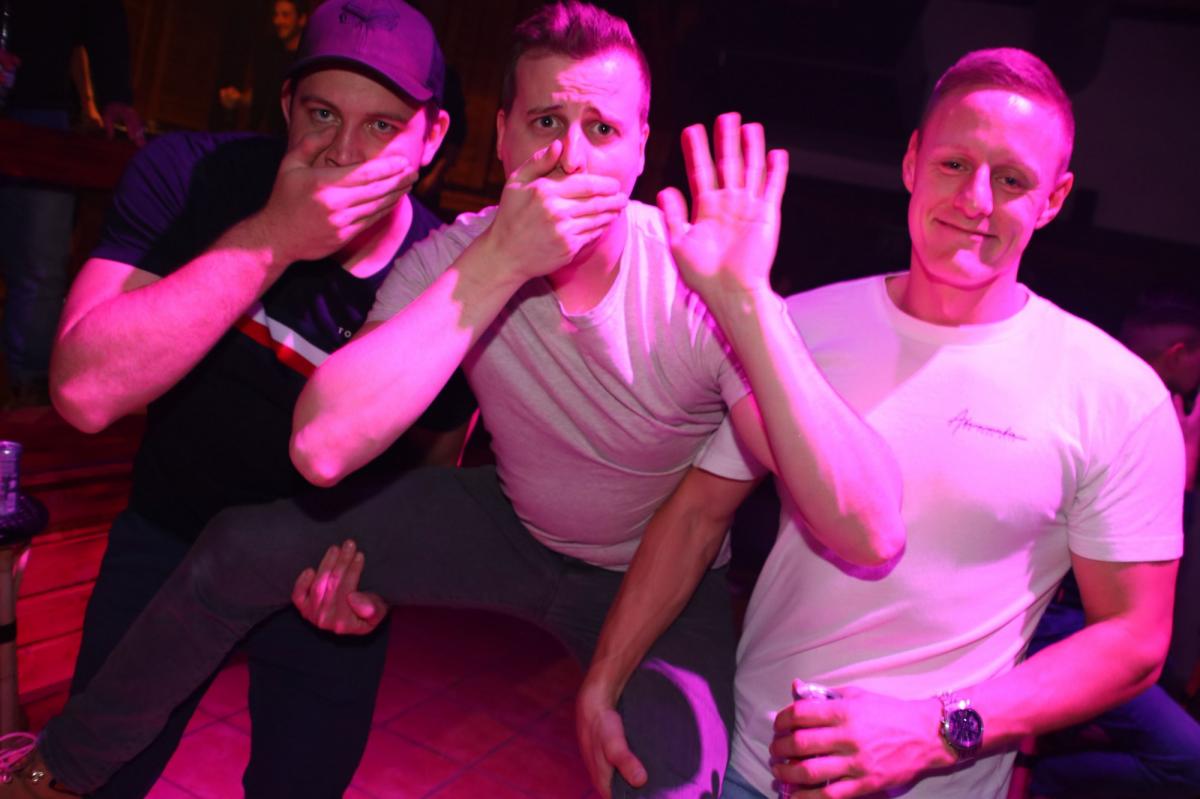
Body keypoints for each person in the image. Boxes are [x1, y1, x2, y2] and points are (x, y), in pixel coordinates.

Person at [0, 2, 903, 797]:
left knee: (662, 769)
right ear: (502, 137)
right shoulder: (452, 257)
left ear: (639, 149)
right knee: (240, 545)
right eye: (545, 122)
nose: (569, 156)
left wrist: (750, 303)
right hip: (507, 522)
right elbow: (322, 446)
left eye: (600, 128)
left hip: (657, 571)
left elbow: (868, 532)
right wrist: (500, 262)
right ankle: (54, 774)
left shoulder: (692, 278)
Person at [582, 47, 1184, 799]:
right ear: (911, 162)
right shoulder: (795, 330)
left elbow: (1133, 639)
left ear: (1054, 198)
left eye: (1012, 180)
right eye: (954, 165)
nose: (977, 200)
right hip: (749, 770)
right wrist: (602, 680)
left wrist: (936, 729)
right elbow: (698, 513)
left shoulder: (1114, 393)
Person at [10, 2, 468, 797]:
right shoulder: (195, 177)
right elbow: (82, 392)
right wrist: (273, 239)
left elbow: (436, 467)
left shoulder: (454, 274)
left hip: (326, 578)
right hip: (168, 536)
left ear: (431, 138)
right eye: (322, 114)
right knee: (91, 776)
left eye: (383, 127)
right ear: (287, 106)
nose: (344, 153)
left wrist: (385, 569)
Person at [1021, 292, 1200, 798]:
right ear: (1179, 354)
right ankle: (1036, 784)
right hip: (1060, 623)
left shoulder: (1099, 392)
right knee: (1189, 761)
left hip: (1086, 623)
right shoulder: (1131, 412)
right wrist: (1184, 468)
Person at [0, 0, 143, 408]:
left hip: (38, 102)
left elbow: (100, 14)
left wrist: (116, 92)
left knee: (40, 267)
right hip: (37, 103)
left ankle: (29, 398)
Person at [218, 0, 308, 136]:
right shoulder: (268, 51)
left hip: (286, 139)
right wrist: (238, 99)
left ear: (302, 19)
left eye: (285, 15)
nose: (278, 21)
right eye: (276, 15)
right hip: (258, 136)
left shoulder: (306, 60)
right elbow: (260, 95)